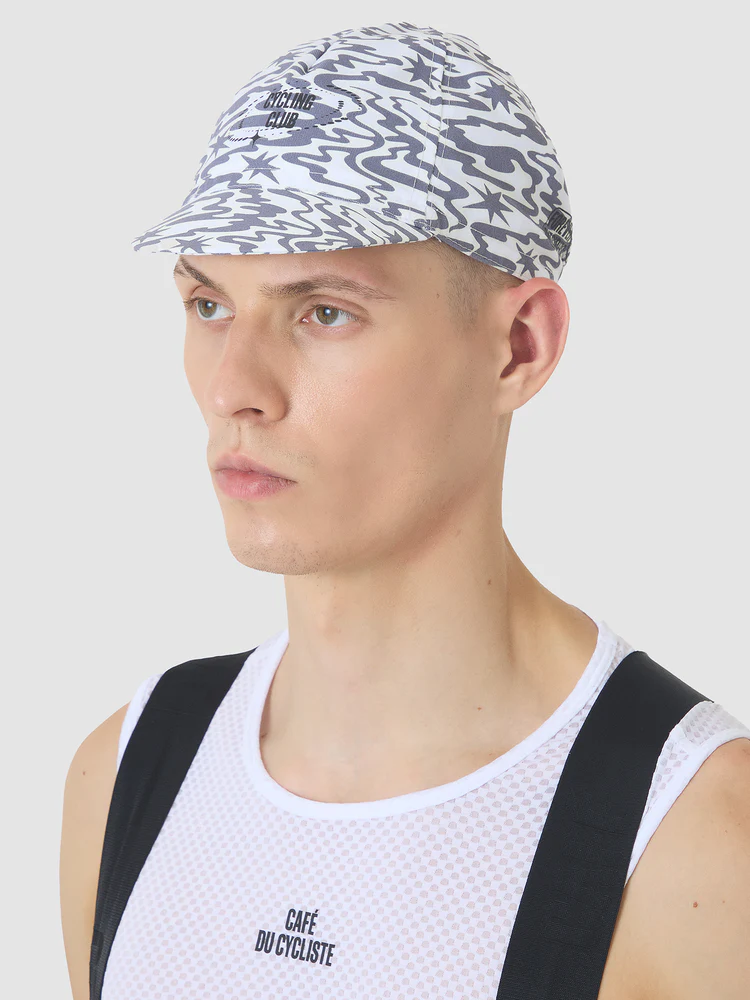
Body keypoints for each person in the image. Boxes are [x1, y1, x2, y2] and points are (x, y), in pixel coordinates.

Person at [60, 20, 750, 1000]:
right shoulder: (131, 772)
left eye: (324, 312)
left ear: (519, 347)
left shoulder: (694, 838)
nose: (234, 388)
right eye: (209, 305)